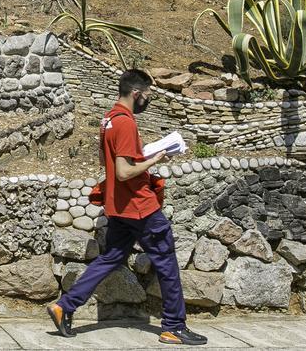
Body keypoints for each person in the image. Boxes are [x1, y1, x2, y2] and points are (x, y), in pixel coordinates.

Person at [46, 69, 207, 346]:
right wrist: (155, 158)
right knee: (167, 263)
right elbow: (122, 171)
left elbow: (108, 162)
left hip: (118, 206)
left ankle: (65, 306)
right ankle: (174, 326)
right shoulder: (125, 123)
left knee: (110, 258)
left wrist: (140, 158)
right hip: (140, 207)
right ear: (136, 93)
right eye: (147, 96)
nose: (147, 101)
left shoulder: (108, 119)